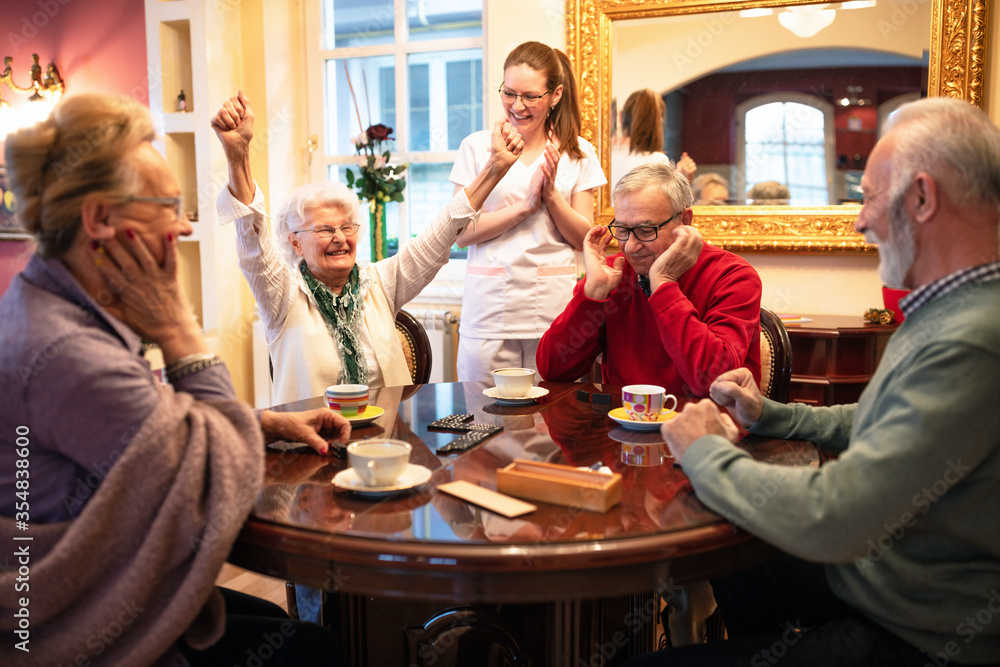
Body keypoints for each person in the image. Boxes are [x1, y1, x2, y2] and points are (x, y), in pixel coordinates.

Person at [629, 97, 1000, 666]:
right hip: (884, 579)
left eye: (870, 197)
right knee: (739, 570)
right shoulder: (953, 307)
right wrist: (771, 416)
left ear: (923, 197)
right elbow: (875, 419)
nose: (860, 218)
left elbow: (839, 517)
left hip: (916, 630)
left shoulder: (971, 337)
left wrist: (703, 451)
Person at [0, 93, 354, 666]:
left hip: (86, 596)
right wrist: (177, 326)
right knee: (309, 649)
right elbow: (218, 494)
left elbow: (157, 424)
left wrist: (263, 422)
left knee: (271, 622)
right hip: (72, 635)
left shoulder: (45, 303)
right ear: (100, 220)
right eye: (167, 206)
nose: (184, 226)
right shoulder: (70, 355)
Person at [213, 91, 524, 404]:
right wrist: (238, 156)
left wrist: (494, 168)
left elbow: (441, 234)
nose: (340, 237)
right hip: (311, 444)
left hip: (384, 440)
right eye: (324, 229)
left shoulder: (379, 282)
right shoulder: (282, 294)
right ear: (295, 241)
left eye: (347, 227)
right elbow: (253, 241)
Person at [449, 41, 607, 382]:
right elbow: (460, 233)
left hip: (551, 308)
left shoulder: (578, 152)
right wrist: (524, 208)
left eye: (530, 96)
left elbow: (585, 240)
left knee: (551, 422)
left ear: (555, 94)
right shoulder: (477, 148)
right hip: (489, 310)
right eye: (509, 93)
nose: (516, 106)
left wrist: (551, 197)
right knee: (485, 420)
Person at [536, 162, 761, 398]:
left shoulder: (733, 275)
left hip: (707, 428)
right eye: (622, 230)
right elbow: (553, 372)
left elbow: (714, 382)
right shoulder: (612, 272)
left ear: (685, 221)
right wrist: (592, 294)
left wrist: (663, 284)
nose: (631, 247)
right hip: (622, 425)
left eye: (646, 230)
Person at [610, 87, 697, 188]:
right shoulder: (658, 161)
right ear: (658, 122)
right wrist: (683, 181)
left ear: (620, 117)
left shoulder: (603, 157)